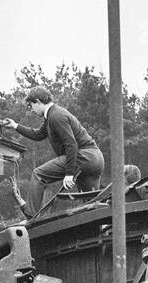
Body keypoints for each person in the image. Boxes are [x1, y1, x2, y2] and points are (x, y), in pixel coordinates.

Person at [13, 84, 105, 213]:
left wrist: (69, 173)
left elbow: (71, 144)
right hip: (96, 159)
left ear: (38, 102)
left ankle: (31, 216)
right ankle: (103, 230)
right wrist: (15, 126)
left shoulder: (56, 116)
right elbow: (38, 135)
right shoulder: (52, 115)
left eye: (31, 106)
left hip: (85, 157)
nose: (31, 110)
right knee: (92, 206)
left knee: (38, 175)